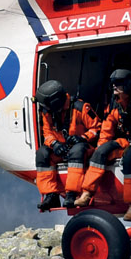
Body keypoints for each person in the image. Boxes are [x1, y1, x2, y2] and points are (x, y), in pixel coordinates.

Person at [77, 68, 131, 220]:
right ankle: (87, 193)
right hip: (126, 141)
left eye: (118, 84)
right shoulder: (115, 106)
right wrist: (100, 150)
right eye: (113, 84)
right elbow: (107, 129)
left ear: (128, 85)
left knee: (130, 159)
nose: (114, 87)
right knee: (100, 151)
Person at [34, 80, 87, 211]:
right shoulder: (48, 112)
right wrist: (55, 144)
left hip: (82, 147)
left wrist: (82, 138)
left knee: (77, 151)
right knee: (42, 154)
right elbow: (47, 132)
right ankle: (51, 195)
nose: (44, 108)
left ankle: (72, 194)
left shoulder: (81, 108)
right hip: (61, 148)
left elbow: (97, 129)